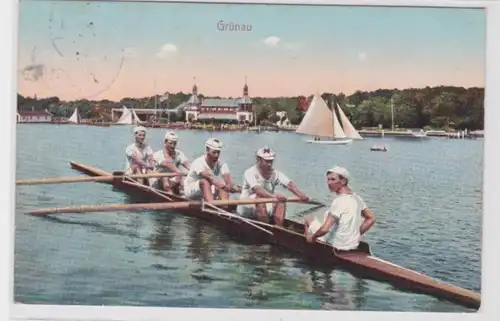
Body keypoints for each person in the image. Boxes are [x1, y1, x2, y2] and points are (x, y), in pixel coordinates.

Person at [304, 166, 376, 252]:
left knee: (308, 217)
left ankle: (308, 245)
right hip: (352, 244)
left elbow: (325, 229)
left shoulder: (339, 201)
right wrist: (355, 234)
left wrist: (313, 236)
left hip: (333, 244)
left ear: (343, 181)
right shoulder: (357, 198)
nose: (329, 183)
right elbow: (371, 218)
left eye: (333, 179)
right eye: (328, 179)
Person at [237, 147, 311, 226]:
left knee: (281, 199)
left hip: (265, 205)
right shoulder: (249, 172)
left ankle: (278, 229)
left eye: (271, 161)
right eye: (267, 161)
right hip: (246, 208)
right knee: (260, 196)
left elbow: (289, 184)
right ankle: (266, 227)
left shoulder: (275, 174)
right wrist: (274, 196)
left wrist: (301, 195)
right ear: (258, 160)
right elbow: (258, 190)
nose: (269, 164)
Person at [183, 138, 237, 202]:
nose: (216, 155)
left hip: (208, 189)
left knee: (222, 182)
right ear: (207, 150)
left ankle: (224, 205)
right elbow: (211, 178)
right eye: (214, 152)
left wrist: (230, 187)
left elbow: (229, 182)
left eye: (218, 152)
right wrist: (225, 187)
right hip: (190, 190)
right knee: (205, 182)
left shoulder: (222, 163)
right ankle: (211, 206)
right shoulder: (198, 163)